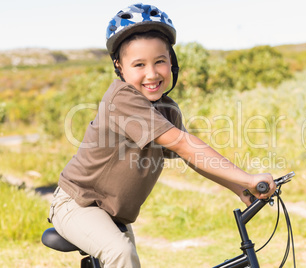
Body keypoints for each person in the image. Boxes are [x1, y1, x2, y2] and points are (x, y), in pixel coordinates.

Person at [48, 3, 276, 267]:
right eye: (139, 65)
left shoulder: (166, 109)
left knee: (125, 257)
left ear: (172, 62)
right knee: (120, 253)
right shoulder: (122, 98)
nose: (152, 73)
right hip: (78, 205)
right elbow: (183, 143)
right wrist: (248, 177)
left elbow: (192, 157)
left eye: (159, 62)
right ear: (119, 67)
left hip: (113, 215)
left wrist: (240, 188)